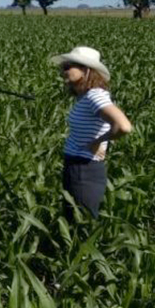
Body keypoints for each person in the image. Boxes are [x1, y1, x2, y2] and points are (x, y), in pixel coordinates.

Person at [52, 46, 132, 219]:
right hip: (77, 167)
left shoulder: (94, 95)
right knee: (73, 221)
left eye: (68, 66)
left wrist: (98, 142)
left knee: (81, 225)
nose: (63, 70)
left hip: (84, 169)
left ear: (86, 70)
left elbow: (123, 126)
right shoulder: (85, 96)